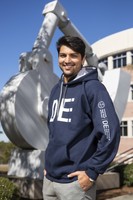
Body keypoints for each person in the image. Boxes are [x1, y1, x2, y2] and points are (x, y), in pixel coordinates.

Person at [43, 35, 120, 200]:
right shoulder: (56, 90)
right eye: (63, 55)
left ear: (83, 59)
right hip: (49, 180)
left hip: (75, 184)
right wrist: (48, 164)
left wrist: (92, 172)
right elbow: (53, 132)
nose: (67, 60)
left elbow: (109, 132)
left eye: (73, 55)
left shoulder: (94, 89)